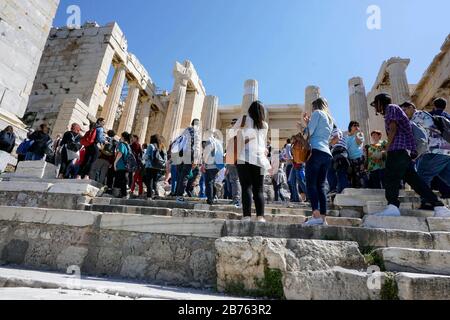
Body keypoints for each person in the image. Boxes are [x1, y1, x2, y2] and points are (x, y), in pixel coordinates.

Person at [370, 93, 450, 217]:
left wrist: (387, 148)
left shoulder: (391, 108)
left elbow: (392, 128)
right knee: (416, 182)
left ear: (380, 102)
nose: (375, 108)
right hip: (404, 152)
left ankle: (392, 206)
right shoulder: (396, 110)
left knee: (391, 178)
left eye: (376, 104)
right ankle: (439, 207)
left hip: (397, 149)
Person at [400, 101, 450, 210]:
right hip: (445, 150)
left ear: (411, 107)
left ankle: (428, 202)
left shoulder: (416, 118)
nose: (403, 113)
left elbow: (421, 139)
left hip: (434, 150)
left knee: (422, 177)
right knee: (447, 177)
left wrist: (415, 155)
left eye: (404, 110)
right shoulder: (425, 115)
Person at [231, 101, 271, 223]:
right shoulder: (264, 125)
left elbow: (232, 133)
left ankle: (247, 216)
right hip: (259, 158)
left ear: (249, 110)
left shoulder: (244, 119)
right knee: (258, 189)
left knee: (246, 187)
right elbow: (263, 142)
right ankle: (260, 217)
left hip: (243, 157)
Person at [302, 97, 334, 226]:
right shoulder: (330, 119)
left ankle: (315, 215)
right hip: (327, 153)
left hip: (315, 151)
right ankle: (323, 218)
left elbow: (309, 133)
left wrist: (304, 126)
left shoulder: (317, 113)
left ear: (315, 106)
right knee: (321, 186)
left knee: (311, 184)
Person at [172, 119, 202, 203]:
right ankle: (180, 196)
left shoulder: (186, 130)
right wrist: (196, 160)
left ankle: (177, 194)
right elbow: (196, 146)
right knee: (185, 175)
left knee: (180, 175)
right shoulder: (197, 132)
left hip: (180, 154)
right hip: (189, 155)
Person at [202, 133, 224, 205]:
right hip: (218, 165)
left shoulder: (210, 141)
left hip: (211, 164)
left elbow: (207, 152)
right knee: (212, 181)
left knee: (208, 182)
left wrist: (204, 162)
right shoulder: (218, 142)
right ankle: (213, 197)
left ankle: (210, 199)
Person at [144, 134, 167, 199]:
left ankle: (149, 196)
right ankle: (156, 194)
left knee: (149, 181)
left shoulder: (151, 146)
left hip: (150, 166)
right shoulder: (162, 146)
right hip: (158, 166)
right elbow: (165, 158)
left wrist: (143, 158)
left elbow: (147, 156)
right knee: (154, 181)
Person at [328, 126, 349, 194]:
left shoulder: (335, 130)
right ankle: (341, 191)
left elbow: (337, 138)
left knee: (330, 170)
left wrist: (328, 144)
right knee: (341, 173)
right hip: (343, 153)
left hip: (338, 152)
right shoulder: (343, 133)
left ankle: (333, 189)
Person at [226, 119, 241, 207]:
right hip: (234, 159)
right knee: (234, 180)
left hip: (234, 159)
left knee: (235, 180)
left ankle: (236, 199)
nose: (231, 125)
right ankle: (236, 198)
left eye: (233, 123)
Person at [346, 121, 366, 188]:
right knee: (352, 178)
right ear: (350, 127)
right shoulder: (346, 137)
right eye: (354, 125)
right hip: (350, 160)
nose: (356, 127)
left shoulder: (360, 134)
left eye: (357, 125)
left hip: (359, 159)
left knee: (360, 178)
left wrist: (357, 133)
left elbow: (359, 142)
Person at [113, 132, 131, 198]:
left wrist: (115, 163)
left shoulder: (121, 144)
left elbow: (120, 153)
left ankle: (124, 194)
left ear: (123, 137)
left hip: (121, 165)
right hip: (126, 165)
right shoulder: (128, 145)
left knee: (121, 180)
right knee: (121, 180)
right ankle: (121, 194)